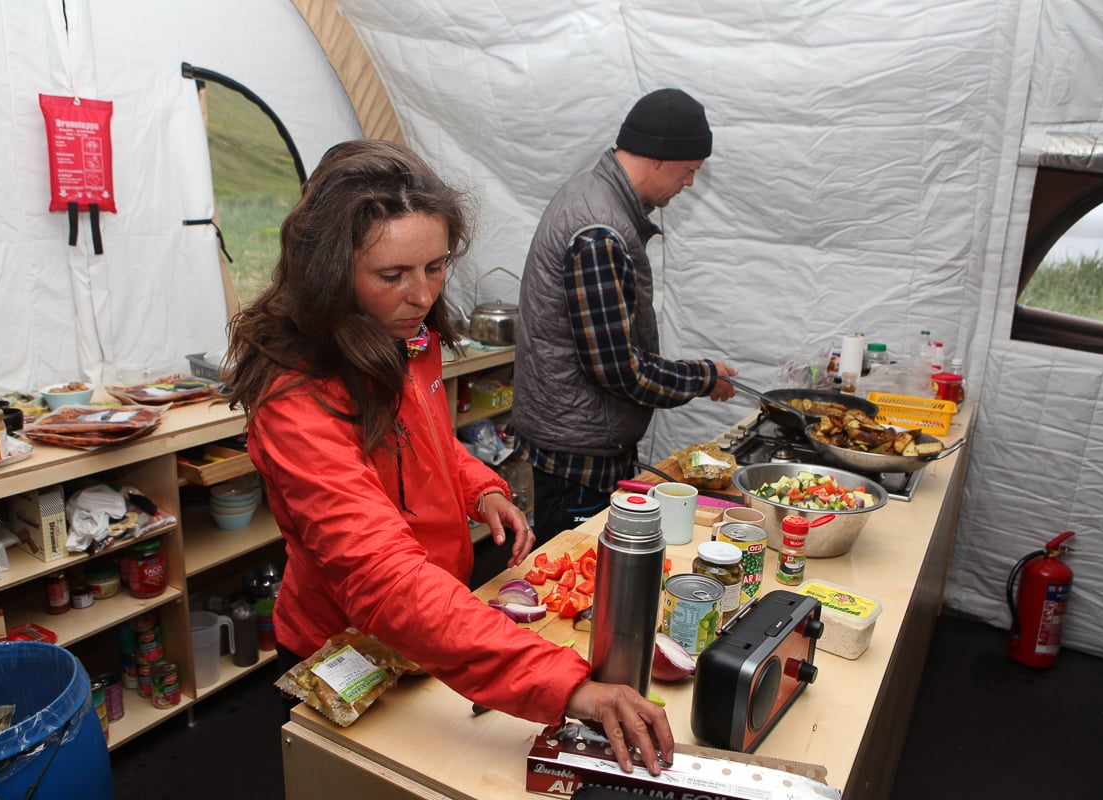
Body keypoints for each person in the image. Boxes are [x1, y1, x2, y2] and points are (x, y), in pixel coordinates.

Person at [225, 140, 673, 775]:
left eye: (436, 267)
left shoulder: (408, 338)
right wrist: (563, 685)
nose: (422, 295)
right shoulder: (296, 401)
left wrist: (480, 487)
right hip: (348, 637)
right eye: (392, 276)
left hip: (435, 619)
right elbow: (383, 579)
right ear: (327, 272)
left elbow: (427, 441)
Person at [513, 88, 739, 543]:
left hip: (578, 437)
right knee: (576, 570)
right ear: (659, 157)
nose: (690, 183)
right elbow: (619, 369)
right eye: (689, 170)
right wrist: (701, 376)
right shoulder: (599, 229)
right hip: (577, 454)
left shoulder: (592, 194)